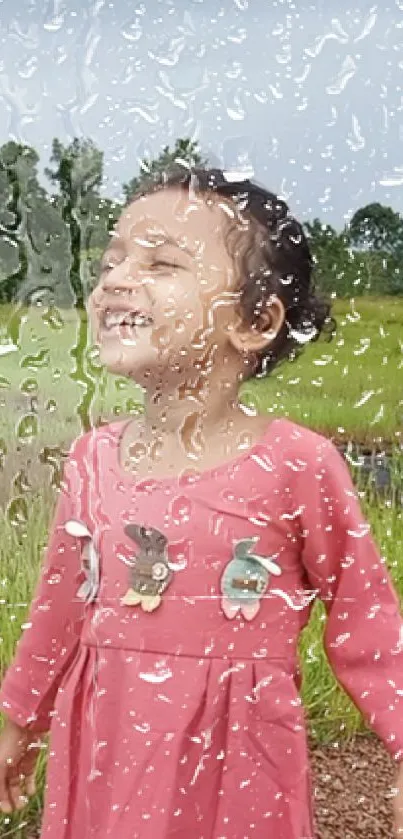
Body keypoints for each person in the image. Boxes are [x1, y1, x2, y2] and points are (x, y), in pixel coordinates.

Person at [0, 166, 402, 839]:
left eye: (161, 262)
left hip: (237, 765)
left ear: (253, 320)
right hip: (104, 748)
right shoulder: (91, 458)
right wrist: (16, 723)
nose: (117, 280)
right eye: (113, 259)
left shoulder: (296, 464)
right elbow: (58, 612)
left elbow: (367, 619)